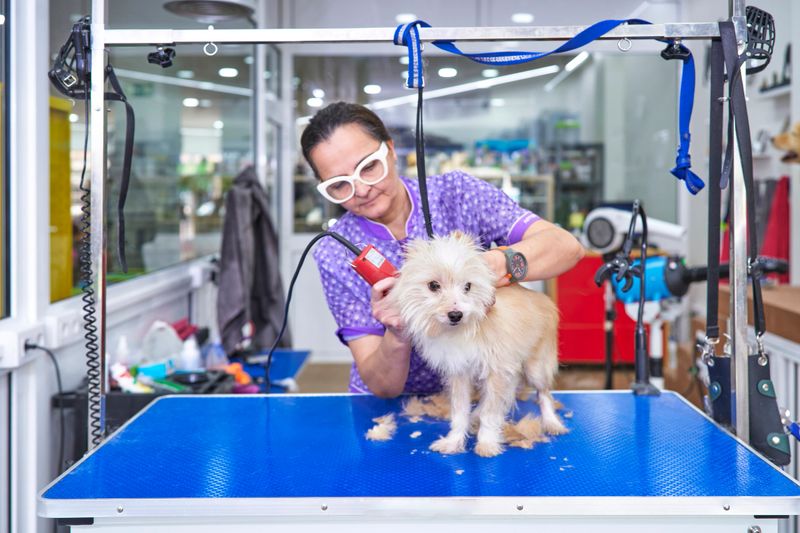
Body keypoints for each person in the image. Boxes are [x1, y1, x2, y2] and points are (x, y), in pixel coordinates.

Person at [304, 102, 584, 398]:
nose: (360, 189)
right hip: (397, 406)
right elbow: (382, 386)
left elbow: (565, 247)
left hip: (481, 392)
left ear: (389, 149)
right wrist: (397, 334)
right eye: (339, 185)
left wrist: (487, 269)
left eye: (369, 167)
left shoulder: (458, 193)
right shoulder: (335, 252)